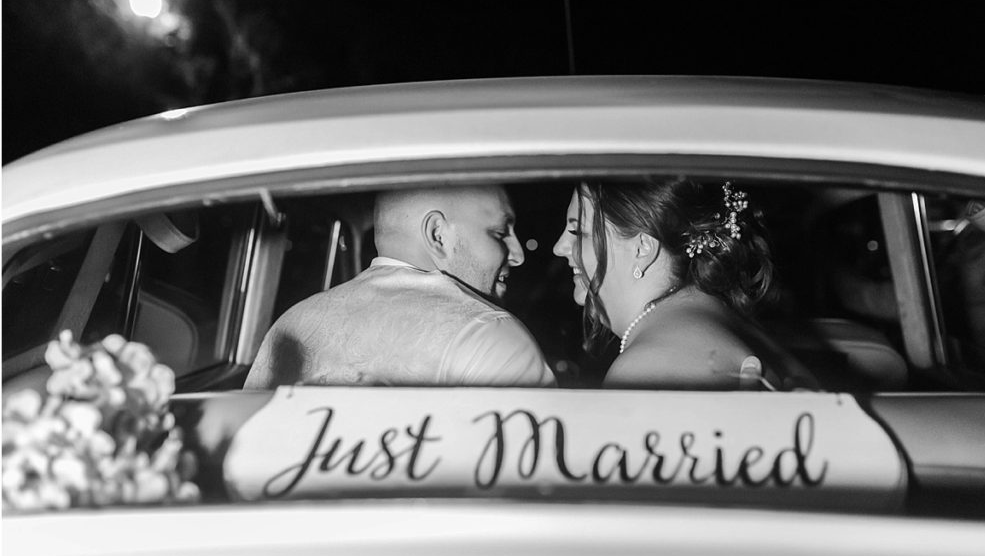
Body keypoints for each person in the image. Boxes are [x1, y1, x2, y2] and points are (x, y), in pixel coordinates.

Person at [244, 185, 555, 389]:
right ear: (438, 235)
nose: (518, 254)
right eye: (500, 233)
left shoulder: (290, 324)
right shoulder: (490, 336)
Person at [553, 178, 812, 390]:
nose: (559, 248)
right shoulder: (722, 320)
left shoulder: (650, 368)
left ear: (643, 248)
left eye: (579, 233)